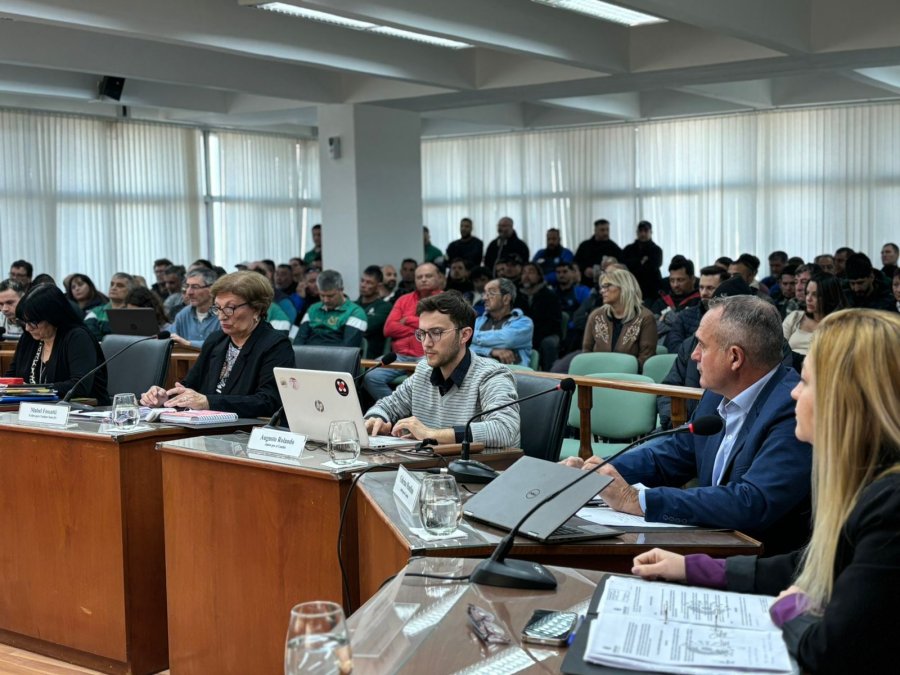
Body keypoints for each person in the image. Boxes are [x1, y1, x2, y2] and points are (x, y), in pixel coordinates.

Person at [631, 309, 900, 674]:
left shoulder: (891, 506)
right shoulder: (871, 484)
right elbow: (809, 564)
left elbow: (829, 650)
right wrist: (693, 567)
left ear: (844, 401)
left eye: (806, 382)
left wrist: (789, 608)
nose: (794, 392)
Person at [566, 295, 812, 555]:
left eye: (702, 346)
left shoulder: (792, 407)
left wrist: (637, 500)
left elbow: (752, 502)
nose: (694, 355)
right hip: (715, 547)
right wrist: (598, 471)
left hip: (763, 564)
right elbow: (675, 453)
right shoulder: (717, 393)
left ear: (735, 358)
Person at [364, 291, 519, 447]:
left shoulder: (492, 374)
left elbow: (504, 430)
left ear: (464, 335)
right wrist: (376, 420)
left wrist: (431, 434)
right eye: (422, 333)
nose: (426, 343)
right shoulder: (424, 370)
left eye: (436, 333)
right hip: (431, 467)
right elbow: (387, 406)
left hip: (485, 468)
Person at [140, 271, 293, 416]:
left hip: (245, 432)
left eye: (230, 308)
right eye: (218, 308)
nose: (221, 316)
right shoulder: (216, 340)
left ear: (257, 309)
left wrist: (208, 402)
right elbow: (188, 386)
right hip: (206, 428)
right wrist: (165, 398)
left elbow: (268, 401)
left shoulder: (275, 345)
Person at [5, 284, 109, 404]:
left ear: (52, 316)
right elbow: (11, 377)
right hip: (34, 410)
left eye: (33, 322)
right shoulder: (28, 338)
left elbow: (79, 386)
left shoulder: (77, 337)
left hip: (82, 412)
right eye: (24, 322)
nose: (28, 328)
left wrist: (33, 390)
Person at [364, 262, 443, 400]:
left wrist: (408, 320)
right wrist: (420, 329)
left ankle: (420, 415)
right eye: (419, 277)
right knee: (370, 376)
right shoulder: (403, 299)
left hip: (429, 356)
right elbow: (388, 329)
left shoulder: (446, 300)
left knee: (430, 378)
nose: (423, 279)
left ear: (439, 278)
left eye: (428, 276)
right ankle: (397, 410)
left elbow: (438, 328)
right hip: (399, 356)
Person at [581, 268, 657, 369]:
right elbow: (586, 353)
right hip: (597, 376)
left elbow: (645, 359)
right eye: (602, 287)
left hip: (630, 379)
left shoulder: (645, 317)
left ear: (624, 287)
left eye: (607, 286)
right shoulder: (595, 316)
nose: (602, 290)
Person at [783, 273, 849, 360]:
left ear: (829, 297)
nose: (808, 298)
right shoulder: (795, 317)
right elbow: (778, 349)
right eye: (807, 293)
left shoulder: (843, 325)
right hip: (790, 368)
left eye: (815, 295)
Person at [663, 265, 729, 353]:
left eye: (710, 288)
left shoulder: (733, 317)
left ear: (723, 290)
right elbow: (673, 347)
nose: (704, 293)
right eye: (701, 287)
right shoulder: (685, 316)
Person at [294, 269, 367, 347]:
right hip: (307, 356)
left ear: (341, 290)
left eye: (330, 296)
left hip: (336, 357)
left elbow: (348, 349)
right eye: (322, 295)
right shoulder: (313, 308)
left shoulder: (356, 312)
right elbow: (299, 341)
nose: (326, 300)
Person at [471, 278, 534, 367]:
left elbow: (507, 340)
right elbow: (463, 346)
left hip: (513, 373)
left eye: (491, 293)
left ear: (506, 299)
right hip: (479, 371)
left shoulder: (524, 323)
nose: (484, 298)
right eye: (484, 293)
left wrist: (472, 336)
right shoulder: (478, 321)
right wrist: (490, 351)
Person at [515, 263, 562, 369]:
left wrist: (533, 335)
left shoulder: (550, 296)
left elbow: (553, 322)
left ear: (539, 276)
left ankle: (550, 375)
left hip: (546, 333)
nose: (526, 276)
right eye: (524, 273)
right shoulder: (517, 297)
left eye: (531, 272)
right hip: (523, 333)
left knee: (549, 343)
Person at [170, 268, 220, 348]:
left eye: (195, 287)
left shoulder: (223, 314)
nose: (189, 292)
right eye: (187, 286)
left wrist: (188, 344)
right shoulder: (183, 315)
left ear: (211, 289)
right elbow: (169, 338)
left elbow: (222, 345)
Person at [84, 272, 136, 340]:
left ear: (130, 291)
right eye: (112, 284)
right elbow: (89, 336)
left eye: (120, 285)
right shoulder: (95, 312)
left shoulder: (135, 312)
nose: (113, 288)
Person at [621, 220, 663, 301]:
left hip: (651, 291)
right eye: (640, 231)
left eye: (646, 231)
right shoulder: (628, 249)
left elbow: (651, 269)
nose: (643, 234)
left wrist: (634, 265)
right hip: (631, 289)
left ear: (651, 232)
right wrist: (641, 262)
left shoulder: (656, 250)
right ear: (637, 232)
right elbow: (623, 267)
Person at [355, 266, 391, 357]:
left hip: (371, 355)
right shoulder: (352, 305)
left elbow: (367, 326)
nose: (363, 285)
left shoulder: (385, 307)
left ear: (379, 286)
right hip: (352, 350)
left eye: (369, 282)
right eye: (362, 281)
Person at [573, 219, 623, 284]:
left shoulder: (614, 247)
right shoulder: (584, 246)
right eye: (602, 230)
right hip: (586, 284)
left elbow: (621, 265)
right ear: (595, 231)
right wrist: (584, 269)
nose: (605, 233)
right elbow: (575, 263)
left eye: (607, 230)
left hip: (607, 284)